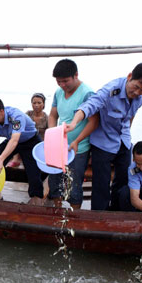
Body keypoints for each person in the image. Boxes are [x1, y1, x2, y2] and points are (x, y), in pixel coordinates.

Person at [65, 63, 142, 211]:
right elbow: (89, 106)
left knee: (123, 181)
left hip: (124, 141)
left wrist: (128, 132)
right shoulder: (110, 90)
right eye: (136, 87)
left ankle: (117, 212)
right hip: (103, 142)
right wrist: (74, 123)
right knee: (101, 184)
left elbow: (131, 114)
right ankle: (99, 215)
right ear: (129, 77)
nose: (137, 92)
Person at [47, 59, 99, 210]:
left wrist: (77, 140)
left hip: (78, 148)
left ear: (76, 75)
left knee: (74, 185)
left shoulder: (87, 93)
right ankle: (57, 211)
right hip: (58, 146)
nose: (62, 85)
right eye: (58, 82)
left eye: (65, 81)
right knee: (54, 181)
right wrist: (52, 134)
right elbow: (52, 116)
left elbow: (93, 122)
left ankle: (74, 216)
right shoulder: (58, 92)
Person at [0, 96, 43, 204]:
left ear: (1, 112)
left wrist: (1, 159)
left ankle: (36, 199)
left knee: (33, 172)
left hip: (30, 141)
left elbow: (15, 140)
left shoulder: (16, 116)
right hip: (10, 140)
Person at [7, 92, 48, 168]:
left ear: (43, 104)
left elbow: (50, 134)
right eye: (34, 103)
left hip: (40, 143)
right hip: (27, 140)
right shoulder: (28, 114)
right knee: (15, 139)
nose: (36, 105)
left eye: (39, 103)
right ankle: (15, 160)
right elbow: (18, 127)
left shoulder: (47, 118)